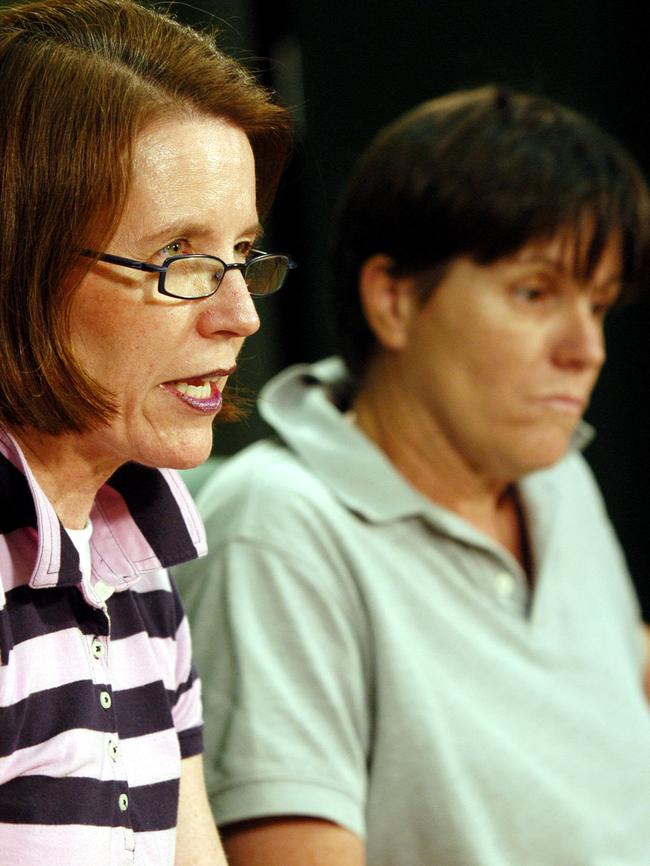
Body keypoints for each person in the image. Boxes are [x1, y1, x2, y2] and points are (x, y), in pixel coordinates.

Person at [175, 85, 650, 866]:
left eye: (598, 306)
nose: (585, 348)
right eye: (536, 293)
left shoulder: (557, 474)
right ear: (393, 300)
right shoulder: (280, 529)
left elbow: (597, 697)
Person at [0, 1, 292, 864]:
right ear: (20, 263)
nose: (239, 315)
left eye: (241, 255)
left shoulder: (136, 558)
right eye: (182, 262)